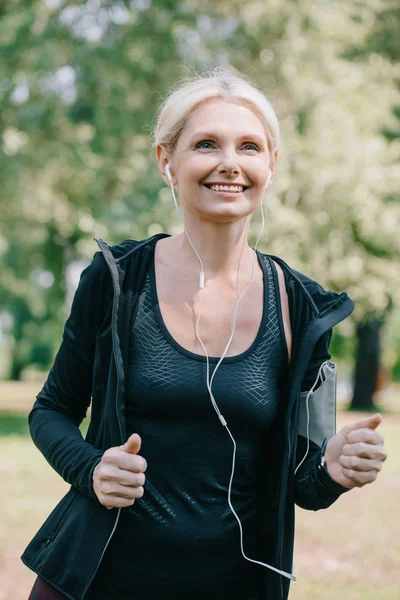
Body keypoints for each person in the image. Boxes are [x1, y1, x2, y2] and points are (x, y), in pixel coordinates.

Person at [23, 68, 387, 600]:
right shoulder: (116, 279)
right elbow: (50, 409)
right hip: (95, 581)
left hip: (233, 586)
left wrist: (331, 467)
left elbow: (303, 482)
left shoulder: (301, 308)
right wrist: (91, 468)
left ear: (272, 165)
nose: (229, 163)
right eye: (206, 144)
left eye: (249, 146)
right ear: (166, 161)